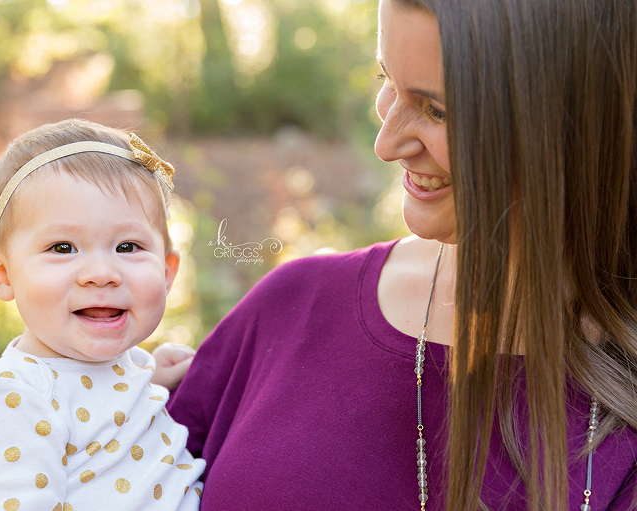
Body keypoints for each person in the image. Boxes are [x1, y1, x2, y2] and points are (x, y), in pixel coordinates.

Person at [166, 0, 637, 509]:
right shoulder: (291, 309)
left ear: (573, 126)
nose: (385, 143)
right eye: (385, 77)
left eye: (437, 109)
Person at [0, 119, 204, 511]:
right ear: (2, 274)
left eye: (127, 246)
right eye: (62, 247)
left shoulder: (122, 366)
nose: (101, 274)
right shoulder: (17, 397)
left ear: (166, 270)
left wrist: (152, 374)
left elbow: (98, 404)